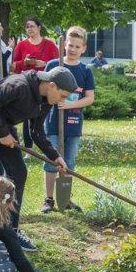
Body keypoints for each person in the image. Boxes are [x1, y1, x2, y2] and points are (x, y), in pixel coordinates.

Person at [0, 66, 72, 242]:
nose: (62, 101)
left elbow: (36, 132)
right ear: (52, 85)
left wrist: (55, 157)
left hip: (5, 126)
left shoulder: (46, 101)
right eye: (63, 95)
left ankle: (10, 229)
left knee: (18, 172)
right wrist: (2, 133)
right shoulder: (19, 85)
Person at [40, 27, 96, 213]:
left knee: (69, 163)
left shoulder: (85, 71)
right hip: (53, 123)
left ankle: (65, 199)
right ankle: (49, 200)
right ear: (64, 44)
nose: (72, 49)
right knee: (52, 161)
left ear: (84, 48)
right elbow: (43, 92)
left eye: (77, 46)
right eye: (70, 45)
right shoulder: (53, 66)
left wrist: (69, 105)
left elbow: (89, 98)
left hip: (73, 125)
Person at [11, 17, 61, 147]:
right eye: (27, 26)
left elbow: (58, 65)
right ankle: (28, 145)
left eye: (32, 26)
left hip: (45, 85)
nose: (29, 29)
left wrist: (44, 63)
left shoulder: (50, 45)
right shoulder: (21, 45)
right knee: (27, 115)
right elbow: (13, 66)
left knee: (40, 115)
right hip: (27, 85)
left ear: (39, 27)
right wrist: (25, 63)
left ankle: (44, 142)